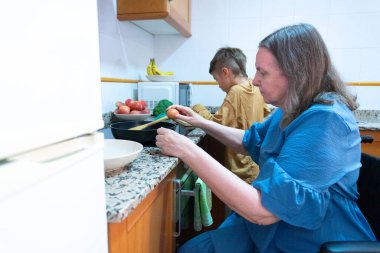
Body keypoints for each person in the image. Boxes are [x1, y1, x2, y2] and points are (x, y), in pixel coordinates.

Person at [156, 23, 376, 252]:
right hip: (270, 228)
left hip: (308, 237)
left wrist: (187, 150)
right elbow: (250, 141)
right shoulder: (290, 109)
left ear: (296, 74)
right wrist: (200, 122)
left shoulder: (326, 121)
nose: (255, 80)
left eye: (263, 72)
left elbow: (262, 212)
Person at [193, 47, 270, 184]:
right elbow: (265, 112)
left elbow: (214, 125)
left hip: (241, 168)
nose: (218, 85)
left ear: (225, 72)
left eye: (217, 79)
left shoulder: (235, 92)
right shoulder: (255, 87)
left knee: (236, 205)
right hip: (256, 164)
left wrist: (198, 108)